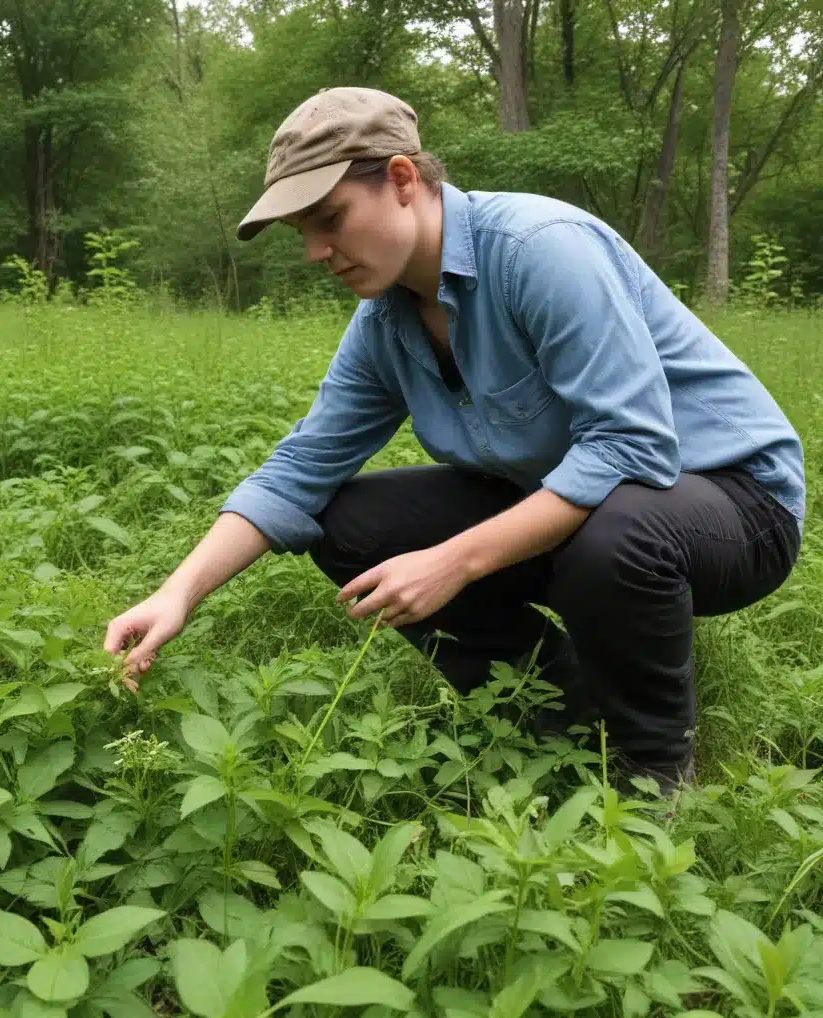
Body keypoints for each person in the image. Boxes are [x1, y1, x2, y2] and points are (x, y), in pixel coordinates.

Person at [104, 86, 804, 793]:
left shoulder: (539, 248)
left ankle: (653, 772)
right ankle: (562, 718)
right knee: (348, 525)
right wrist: (178, 594)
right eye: (301, 232)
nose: (317, 251)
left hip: (731, 509)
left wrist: (455, 562)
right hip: (580, 505)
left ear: (404, 179)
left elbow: (631, 449)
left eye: (330, 218)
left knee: (618, 534)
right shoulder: (386, 322)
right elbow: (300, 470)